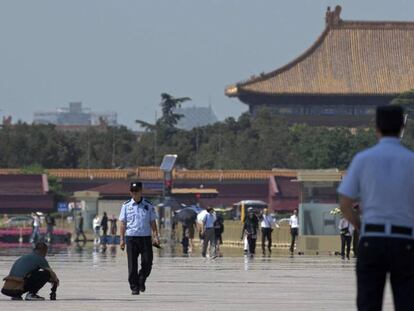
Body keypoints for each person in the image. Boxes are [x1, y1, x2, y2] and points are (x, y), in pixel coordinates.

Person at [338, 105, 414, 310]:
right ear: (402, 126)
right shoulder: (411, 160)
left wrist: (360, 226)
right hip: (405, 242)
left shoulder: (363, 159)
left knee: (368, 304)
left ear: (377, 128)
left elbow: (345, 203)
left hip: (372, 240)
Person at [119, 181, 160, 295]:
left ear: (141, 191)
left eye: (136, 191)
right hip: (131, 238)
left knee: (148, 263)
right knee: (132, 265)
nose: (134, 193)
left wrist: (155, 236)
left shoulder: (148, 205)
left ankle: (141, 279)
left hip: (145, 238)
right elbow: (123, 223)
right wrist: (122, 239)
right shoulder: (126, 206)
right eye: (132, 191)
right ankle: (134, 287)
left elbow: (152, 222)